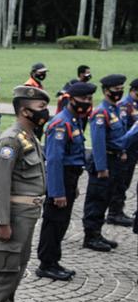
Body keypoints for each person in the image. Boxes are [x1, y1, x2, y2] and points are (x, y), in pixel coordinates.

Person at [0, 85, 50, 302]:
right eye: (40, 107)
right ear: (25, 110)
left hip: (28, 214)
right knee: (6, 267)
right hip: (14, 215)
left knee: (17, 268)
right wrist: (3, 222)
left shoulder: (29, 137)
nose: (45, 112)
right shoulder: (10, 140)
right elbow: (1, 184)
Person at [36, 82, 94, 277]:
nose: (87, 102)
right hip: (60, 178)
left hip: (69, 178)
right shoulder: (61, 123)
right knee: (53, 222)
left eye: (89, 99)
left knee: (61, 222)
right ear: (71, 99)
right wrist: (57, 192)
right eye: (83, 98)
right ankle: (46, 264)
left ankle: (54, 260)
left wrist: (73, 186)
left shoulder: (74, 120)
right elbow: (54, 160)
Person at [82, 74, 129, 251]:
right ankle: (90, 236)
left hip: (114, 159)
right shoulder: (101, 112)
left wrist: (122, 152)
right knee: (97, 198)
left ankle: (97, 233)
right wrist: (102, 167)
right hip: (104, 161)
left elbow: (119, 136)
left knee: (106, 198)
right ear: (106, 91)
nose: (119, 92)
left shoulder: (115, 109)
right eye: (116, 89)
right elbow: (98, 143)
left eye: (121, 89)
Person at [109, 78, 138, 226]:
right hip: (126, 150)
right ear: (133, 91)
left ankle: (117, 210)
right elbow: (122, 132)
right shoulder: (125, 106)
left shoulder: (134, 105)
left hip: (133, 150)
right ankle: (114, 213)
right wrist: (123, 150)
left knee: (125, 181)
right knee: (121, 182)